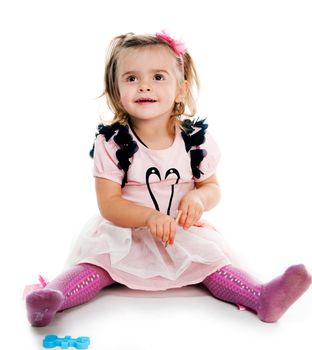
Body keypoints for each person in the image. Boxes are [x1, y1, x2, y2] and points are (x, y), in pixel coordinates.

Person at [26, 31, 311, 327]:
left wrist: (198, 198)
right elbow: (108, 204)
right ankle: (52, 296)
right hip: (126, 233)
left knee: (212, 265)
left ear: (180, 89)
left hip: (180, 232)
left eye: (158, 77)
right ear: (116, 89)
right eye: (131, 78)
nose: (144, 85)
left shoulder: (194, 142)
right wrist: (148, 217)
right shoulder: (111, 143)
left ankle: (261, 297)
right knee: (96, 266)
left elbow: (212, 188)